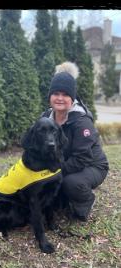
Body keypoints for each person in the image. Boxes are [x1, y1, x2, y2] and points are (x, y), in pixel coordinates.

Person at [41, 61, 109, 222]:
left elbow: (82, 158)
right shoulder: (45, 117)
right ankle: (61, 201)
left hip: (92, 165)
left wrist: (53, 171)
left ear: (72, 98)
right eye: (56, 93)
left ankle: (85, 201)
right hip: (66, 162)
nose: (60, 98)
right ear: (50, 96)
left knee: (71, 182)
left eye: (65, 94)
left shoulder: (81, 121)